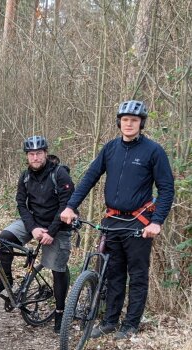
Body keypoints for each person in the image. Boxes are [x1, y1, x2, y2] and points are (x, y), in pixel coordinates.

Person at [61, 100, 175, 339]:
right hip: (112, 221)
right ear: (119, 123)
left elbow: (166, 189)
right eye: (125, 120)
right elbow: (90, 178)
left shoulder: (153, 151)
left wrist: (158, 221)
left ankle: (130, 324)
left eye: (134, 120)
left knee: (137, 275)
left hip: (139, 224)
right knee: (113, 274)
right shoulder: (110, 148)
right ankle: (110, 322)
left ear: (141, 123)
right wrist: (71, 206)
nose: (129, 124)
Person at [0, 136, 75, 333]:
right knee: (5, 237)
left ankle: (60, 312)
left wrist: (51, 232)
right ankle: (7, 280)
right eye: (31, 154)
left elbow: (66, 205)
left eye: (38, 153)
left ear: (45, 153)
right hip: (34, 221)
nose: (35, 157)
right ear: (27, 157)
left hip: (59, 225)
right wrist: (34, 228)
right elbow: (21, 203)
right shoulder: (25, 176)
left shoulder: (59, 174)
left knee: (57, 268)